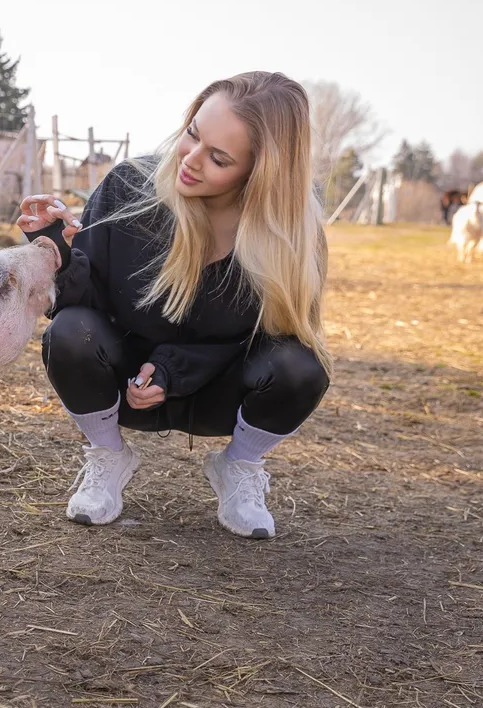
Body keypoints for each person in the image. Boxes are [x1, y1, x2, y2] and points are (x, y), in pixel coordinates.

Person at [18, 71, 331, 540]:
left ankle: (238, 467)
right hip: (124, 382)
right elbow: (88, 300)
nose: (191, 159)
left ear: (261, 173)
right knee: (71, 332)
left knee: (301, 366)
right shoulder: (130, 186)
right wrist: (57, 255)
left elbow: (265, 341)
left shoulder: (288, 237)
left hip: (216, 390)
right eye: (192, 134)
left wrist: (170, 371)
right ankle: (108, 456)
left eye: (220, 157)